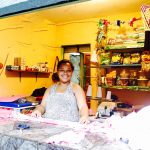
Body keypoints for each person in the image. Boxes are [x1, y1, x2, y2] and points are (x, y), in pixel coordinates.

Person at [31, 59, 89, 124]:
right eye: (62, 70)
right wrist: (38, 111)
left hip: (70, 128)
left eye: (68, 70)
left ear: (72, 72)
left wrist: (84, 116)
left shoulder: (76, 88)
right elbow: (42, 106)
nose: (65, 73)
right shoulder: (50, 89)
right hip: (48, 126)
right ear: (58, 71)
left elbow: (82, 106)